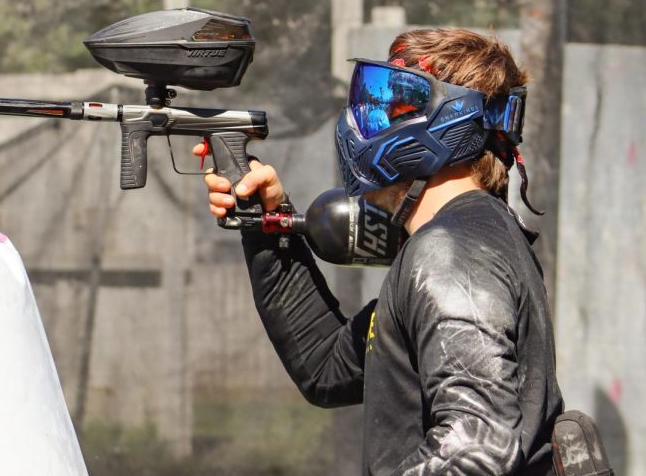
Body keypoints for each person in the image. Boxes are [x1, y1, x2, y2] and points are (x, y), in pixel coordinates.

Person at [203, 28, 563, 475]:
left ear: (444, 122)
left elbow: (478, 447)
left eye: (388, 107)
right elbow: (325, 367)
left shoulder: (451, 256)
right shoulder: (465, 240)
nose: (360, 122)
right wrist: (266, 222)